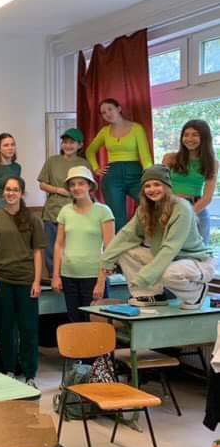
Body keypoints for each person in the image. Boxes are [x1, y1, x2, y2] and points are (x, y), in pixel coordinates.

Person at [100, 165, 215, 309]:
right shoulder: (144, 209)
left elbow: (170, 247)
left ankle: (196, 293)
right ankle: (152, 295)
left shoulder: (182, 208)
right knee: (125, 251)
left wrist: (144, 277)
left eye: (157, 184)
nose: (152, 189)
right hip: (169, 260)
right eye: (147, 186)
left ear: (167, 186)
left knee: (169, 273)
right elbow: (126, 235)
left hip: (195, 261)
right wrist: (106, 260)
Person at [0, 176, 45, 387]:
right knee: (6, 328)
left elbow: (37, 252)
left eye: (15, 190)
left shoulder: (33, 219)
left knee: (28, 329)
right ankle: (9, 369)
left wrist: (37, 281)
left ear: (22, 193)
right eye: (8, 189)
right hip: (1, 281)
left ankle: (29, 374)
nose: (10, 193)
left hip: (26, 281)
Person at [51, 166, 115, 322]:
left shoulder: (103, 211)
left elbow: (110, 249)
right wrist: (56, 276)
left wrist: (101, 282)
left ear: (89, 186)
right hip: (68, 276)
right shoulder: (65, 211)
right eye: (72, 184)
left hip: (94, 276)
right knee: (75, 322)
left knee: (96, 323)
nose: (76, 188)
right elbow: (59, 245)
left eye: (81, 183)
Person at [86, 98, 152, 231]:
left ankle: (146, 237)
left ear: (119, 109)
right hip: (113, 176)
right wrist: (96, 168)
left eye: (110, 109)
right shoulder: (104, 131)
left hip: (135, 173)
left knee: (150, 205)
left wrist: (150, 177)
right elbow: (90, 151)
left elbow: (145, 157)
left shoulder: (136, 128)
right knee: (117, 218)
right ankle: (120, 243)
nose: (107, 114)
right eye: (103, 113)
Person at [37, 128, 91, 275]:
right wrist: (57, 190)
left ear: (80, 145)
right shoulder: (52, 161)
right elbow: (42, 184)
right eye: (65, 142)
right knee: (51, 247)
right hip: (53, 211)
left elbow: (88, 188)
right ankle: (54, 277)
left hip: (76, 211)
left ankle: (71, 276)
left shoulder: (84, 164)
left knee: (73, 247)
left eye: (72, 142)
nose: (68, 145)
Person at [163, 119, 217, 245]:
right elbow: (162, 185)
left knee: (201, 251)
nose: (189, 139)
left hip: (197, 209)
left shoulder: (212, 163)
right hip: (171, 207)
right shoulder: (170, 158)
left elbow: (207, 197)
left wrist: (187, 214)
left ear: (204, 137)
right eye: (186, 135)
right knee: (171, 249)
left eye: (195, 135)